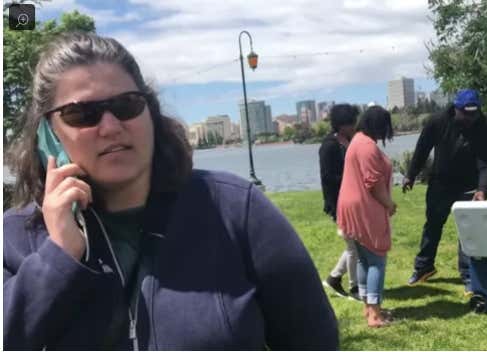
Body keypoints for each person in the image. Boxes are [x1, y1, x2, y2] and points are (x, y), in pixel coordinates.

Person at [3, 32, 338, 350]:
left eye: (126, 105)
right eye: (81, 114)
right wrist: (58, 257)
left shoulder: (235, 209)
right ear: (48, 135)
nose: (110, 127)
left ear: (150, 112)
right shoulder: (16, 238)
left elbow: (314, 341)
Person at [402, 89, 487, 294]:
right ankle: (424, 267)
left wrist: (482, 189)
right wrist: (410, 174)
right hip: (440, 183)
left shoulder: (482, 127)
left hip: (469, 185)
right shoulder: (437, 121)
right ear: (456, 109)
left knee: (468, 230)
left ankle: (469, 274)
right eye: (466, 113)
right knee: (433, 225)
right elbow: (422, 149)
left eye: (474, 113)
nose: (470, 118)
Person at [336, 105, 395, 328]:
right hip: (365, 208)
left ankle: (367, 308)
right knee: (377, 260)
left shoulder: (356, 140)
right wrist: (389, 204)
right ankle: (375, 315)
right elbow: (374, 184)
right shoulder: (367, 146)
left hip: (350, 205)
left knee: (363, 258)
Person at [319, 103, 360, 300]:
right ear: (341, 124)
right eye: (351, 122)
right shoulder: (329, 146)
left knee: (354, 245)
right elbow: (327, 177)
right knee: (354, 246)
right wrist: (351, 177)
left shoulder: (349, 141)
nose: (354, 126)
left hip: (352, 199)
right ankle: (355, 289)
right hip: (338, 202)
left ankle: (334, 278)